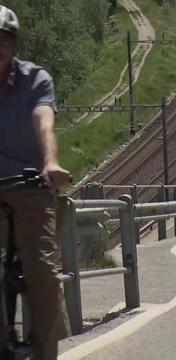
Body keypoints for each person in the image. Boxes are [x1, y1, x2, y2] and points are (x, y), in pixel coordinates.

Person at [0, 5, 71, 360]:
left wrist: (50, 163)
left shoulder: (34, 79)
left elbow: (44, 121)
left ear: (14, 44)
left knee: (42, 269)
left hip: (30, 183)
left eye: (5, 39)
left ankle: (46, 354)